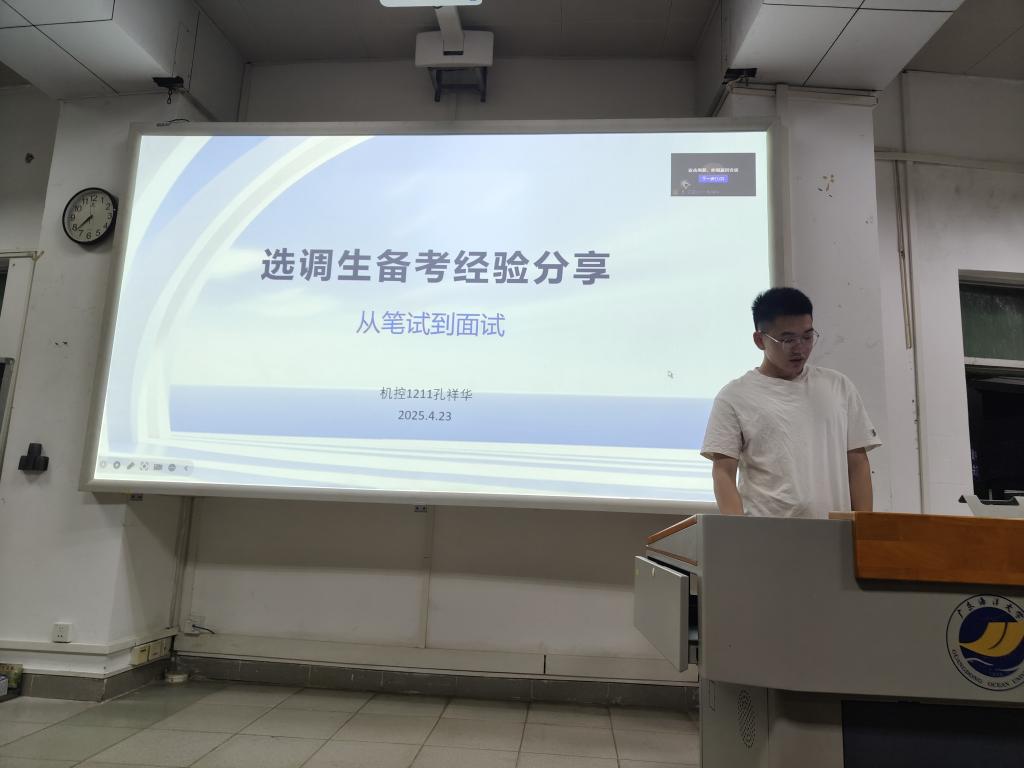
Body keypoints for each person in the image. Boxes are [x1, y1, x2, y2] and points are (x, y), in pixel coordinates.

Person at [701, 287, 880, 518]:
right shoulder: (734, 396)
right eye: (788, 339)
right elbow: (723, 472)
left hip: (835, 531)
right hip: (766, 532)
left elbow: (858, 463)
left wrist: (864, 529)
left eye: (807, 337)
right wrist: (739, 531)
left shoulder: (838, 386)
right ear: (759, 340)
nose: (800, 348)